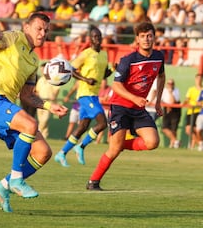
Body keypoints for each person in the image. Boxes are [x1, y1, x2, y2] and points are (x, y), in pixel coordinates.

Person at [0, 12, 68, 212]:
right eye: (39, 28)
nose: (43, 33)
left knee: (43, 152)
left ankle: (2, 186)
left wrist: (48, 106)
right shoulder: (14, 37)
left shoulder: (34, 60)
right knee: (31, 124)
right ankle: (17, 180)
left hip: (6, 105)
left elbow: (27, 95)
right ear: (26, 27)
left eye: (46, 30)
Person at [86, 22, 165, 191]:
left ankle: (120, 144)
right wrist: (134, 98)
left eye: (149, 36)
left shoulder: (159, 56)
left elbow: (161, 76)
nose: (146, 39)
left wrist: (158, 101)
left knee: (153, 142)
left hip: (137, 109)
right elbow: (116, 86)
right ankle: (93, 181)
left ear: (154, 37)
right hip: (120, 106)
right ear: (137, 39)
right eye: (143, 36)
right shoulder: (128, 60)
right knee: (114, 151)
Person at [54, 26, 112, 167]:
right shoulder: (85, 54)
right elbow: (71, 70)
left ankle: (61, 153)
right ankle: (81, 146)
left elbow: (103, 75)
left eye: (99, 36)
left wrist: (112, 70)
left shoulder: (104, 55)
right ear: (90, 39)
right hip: (85, 94)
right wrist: (86, 79)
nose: (97, 39)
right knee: (102, 123)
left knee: (83, 126)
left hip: (94, 95)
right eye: (94, 37)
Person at [36, 62, 61, 139]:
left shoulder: (52, 78)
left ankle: (37, 133)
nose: (42, 71)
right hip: (39, 101)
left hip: (49, 102)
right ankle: (44, 136)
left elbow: (57, 89)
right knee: (41, 120)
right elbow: (37, 90)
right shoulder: (40, 79)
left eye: (43, 69)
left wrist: (54, 95)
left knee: (44, 119)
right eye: (41, 70)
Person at [182, 74, 202, 149]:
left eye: (200, 79)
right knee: (188, 130)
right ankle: (200, 143)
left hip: (199, 112)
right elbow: (187, 99)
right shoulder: (191, 89)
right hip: (191, 111)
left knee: (197, 130)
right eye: (197, 79)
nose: (199, 80)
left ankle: (194, 146)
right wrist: (184, 102)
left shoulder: (202, 90)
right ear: (195, 80)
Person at [161, 78, 181, 148]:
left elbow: (174, 101)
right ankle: (176, 141)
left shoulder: (176, 90)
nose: (170, 85)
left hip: (175, 110)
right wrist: (167, 106)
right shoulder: (164, 91)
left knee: (173, 129)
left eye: (172, 84)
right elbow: (162, 100)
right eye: (169, 83)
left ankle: (172, 144)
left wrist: (170, 92)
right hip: (166, 109)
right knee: (164, 128)